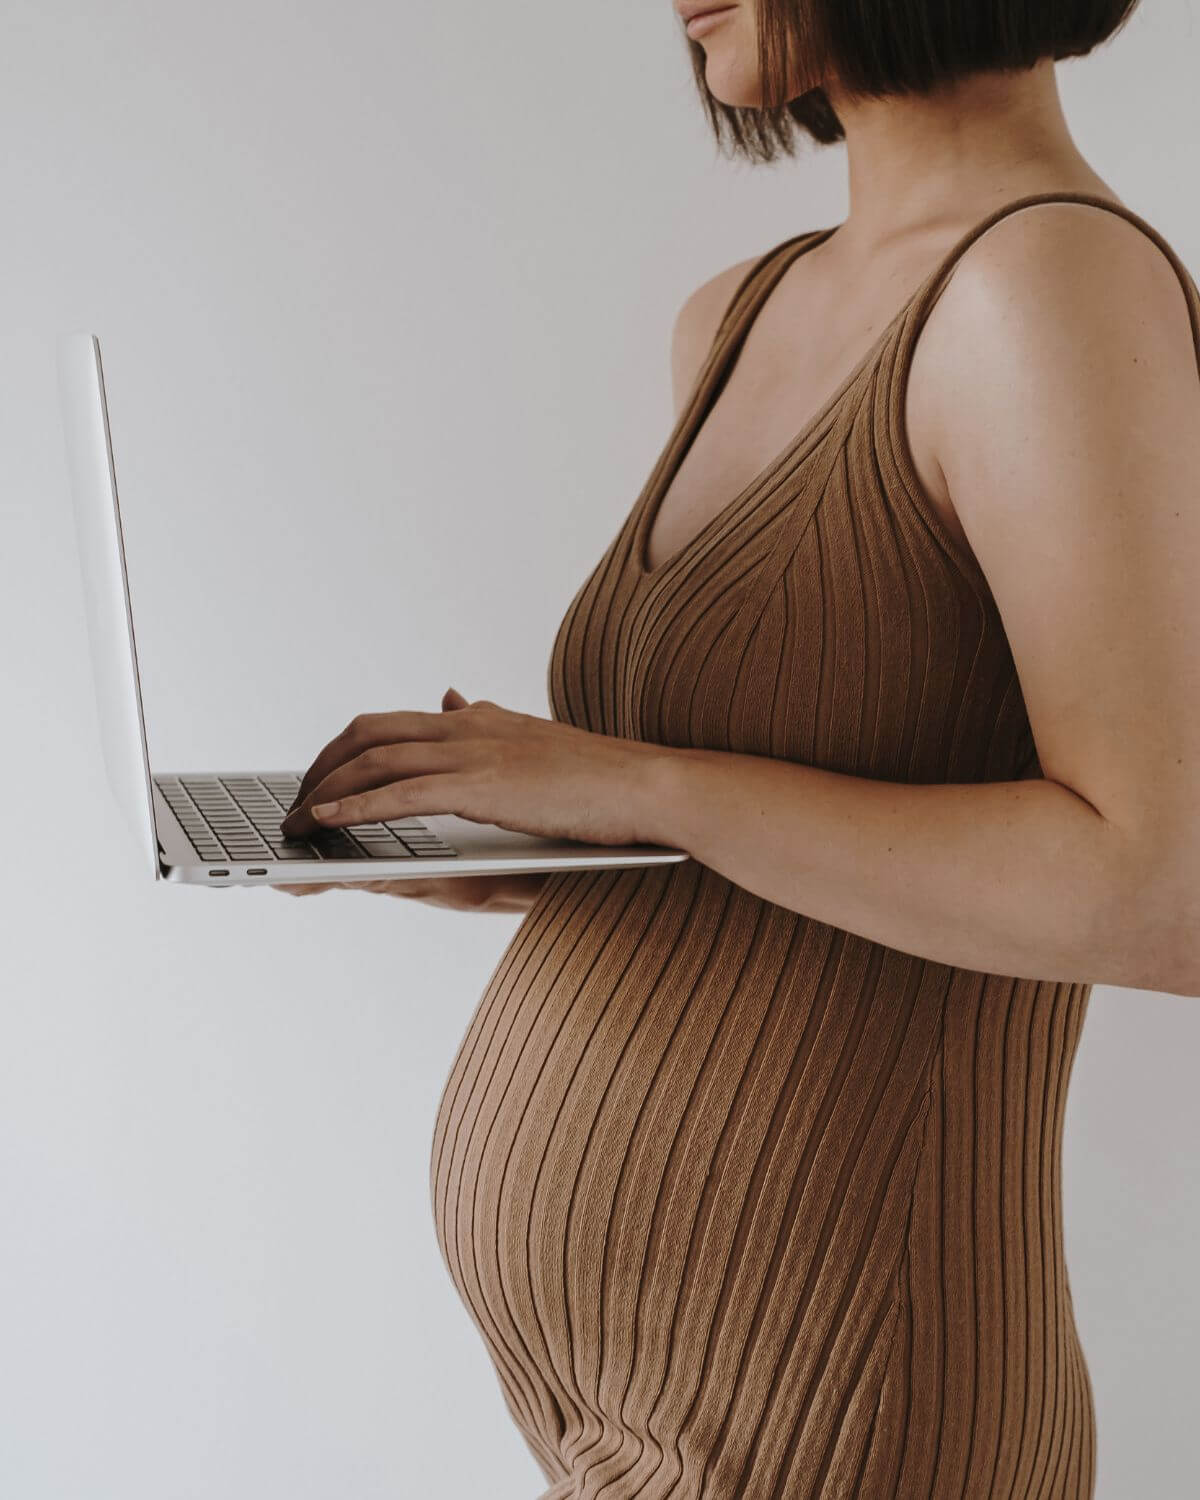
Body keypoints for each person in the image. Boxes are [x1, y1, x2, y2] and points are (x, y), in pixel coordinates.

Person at [277, 1, 1200, 1494]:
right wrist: (539, 847)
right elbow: (811, 840)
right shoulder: (740, 311)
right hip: (618, 1414)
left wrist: (635, 785)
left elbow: (1164, 890)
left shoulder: (1055, 286)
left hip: (850, 1406)